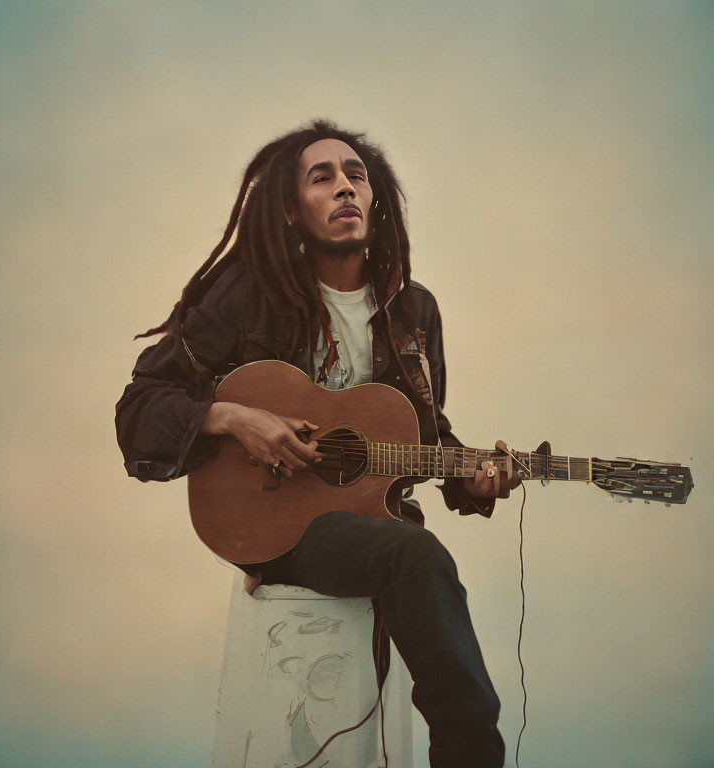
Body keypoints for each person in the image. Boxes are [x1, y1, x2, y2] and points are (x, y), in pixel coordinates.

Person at [115, 120, 520, 768]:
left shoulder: (413, 310)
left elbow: (423, 433)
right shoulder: (248, 295)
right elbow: (141, 407)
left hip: (372, 525)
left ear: (376, 197)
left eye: (355, 174)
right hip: (277, 526)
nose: (344, 187)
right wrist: (234, 418)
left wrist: (469, 477)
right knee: (415, 557)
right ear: (289, 208)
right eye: (321, 176)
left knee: (407, 550)